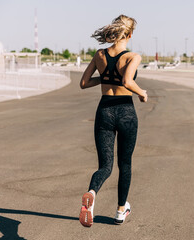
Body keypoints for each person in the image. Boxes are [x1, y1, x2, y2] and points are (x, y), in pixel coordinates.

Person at [78, 15, 147, 227]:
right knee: (125, 164)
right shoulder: (133, 57)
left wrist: (105, 77)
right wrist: (142, 93)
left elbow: (84, 82)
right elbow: (127, 81)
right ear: (130, 34)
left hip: (104, 111)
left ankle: (91, 192)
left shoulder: (99, 54)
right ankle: (120, 211)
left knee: (105, 166)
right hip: (125, 111)